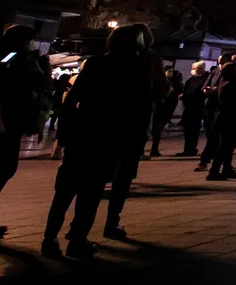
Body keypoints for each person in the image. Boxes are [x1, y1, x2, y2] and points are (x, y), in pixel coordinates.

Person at [45, 23, 154, 259]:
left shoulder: (95, 63)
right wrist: (137, 140)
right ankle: (77, 239)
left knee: (64, 190)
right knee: (91, 192)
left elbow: (72, 98)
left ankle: (50, 237)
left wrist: (65, 131)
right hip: (110, 138)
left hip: (83, 134)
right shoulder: (137, 70)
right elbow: (142, 109)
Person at [0, 25, 53, 244]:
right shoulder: (13, 57)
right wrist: (40, 68)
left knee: (5, 169)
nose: (32, 44)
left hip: (12, 120)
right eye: (28, 40)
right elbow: (23, 80)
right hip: (7, 121)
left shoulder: (18, 57)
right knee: (1, 169)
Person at [103, 25, 171, 241]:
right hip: (134, 123)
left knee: (98, 175)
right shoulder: (148, 61)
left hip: (104, 122)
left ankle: (79, 228)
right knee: (123, 176)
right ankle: (112, 221)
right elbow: (162, 89)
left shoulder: (103, 60)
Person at [205, 54, 236, 181]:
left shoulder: (226, 83)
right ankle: (214, 171)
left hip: (227, 118)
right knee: (226, 145)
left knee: (228, 145)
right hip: (229, 119)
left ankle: (226, 169)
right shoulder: (229, 85)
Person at [151, 66, 183, 157]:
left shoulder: (173, 82)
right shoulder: (160, 81)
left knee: (158, 131)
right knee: (155, 130)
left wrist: (176, 78)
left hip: (165, 111)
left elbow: (178, 89)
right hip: (158, 110)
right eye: (169, 71)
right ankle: (150, 150)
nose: (170, 72)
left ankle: (154, 149)